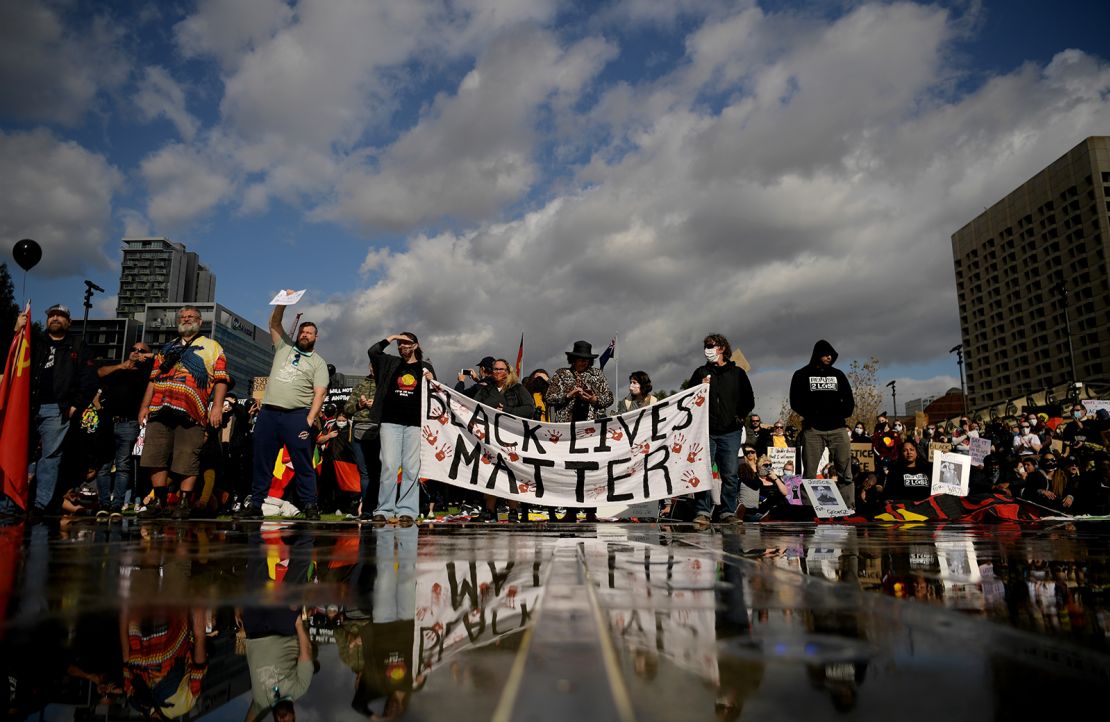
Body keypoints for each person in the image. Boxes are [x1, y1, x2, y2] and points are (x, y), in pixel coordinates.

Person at [236, 301, 329, 521]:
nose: (305, 335)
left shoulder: (318, 362)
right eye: (303, 332)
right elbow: (274, 323)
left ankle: (310, 506)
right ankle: (256, 504)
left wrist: (309, 419)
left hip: (297, 415)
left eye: (310, 333)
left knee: (303, 463)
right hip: (268, 413)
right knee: (262, 461)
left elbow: (320, 392)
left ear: (316, 337)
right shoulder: (284, 346)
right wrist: (282, 304)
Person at [137, 306, 229, 519]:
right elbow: (153, 379)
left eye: (191, 317)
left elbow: (221, 379)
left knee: (188, 456)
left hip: (192, 410)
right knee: (154, 455)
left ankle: (185, 502)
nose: (186, 319)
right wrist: (144, 406)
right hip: (160, 407)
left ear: (200, 321)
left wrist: (216, 406)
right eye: (183, 317)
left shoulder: (212, 347)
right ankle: (159, 501)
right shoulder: (166, 348)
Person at [7, 304, 97, 515]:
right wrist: (16, 330)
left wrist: (76, 405)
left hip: (57, 408)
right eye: (52, 315)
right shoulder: (34, 341)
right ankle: (10, 504)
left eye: (61, 315)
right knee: (18, 453)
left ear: (68, 321)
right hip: (27, 406)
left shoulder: (77, 345)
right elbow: (11, 358)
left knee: (49, 457)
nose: (55, 318)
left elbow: (89, 378)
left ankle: (40, 506)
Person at [363, 333, 436, 525]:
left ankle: (407, 511)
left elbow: (435, 396)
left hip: (415, 423)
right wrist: (392, 337)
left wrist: (431, 381)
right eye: (400, 343)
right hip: (390, 421)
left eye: (407, 343)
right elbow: (373, 351)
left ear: (416, 345)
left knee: (411, 468)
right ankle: (384, 509)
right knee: (389, 465)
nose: (403, 346)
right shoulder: (390, 362)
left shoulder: (425, 366)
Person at [685, 333, 755, 526]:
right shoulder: (700, 373)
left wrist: (739, 417)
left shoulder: (738, 373)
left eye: (711, 345)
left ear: (722, 348)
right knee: (702, 472)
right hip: (705, 431)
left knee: (730, 473)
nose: (708, 350)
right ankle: (702, 511)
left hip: (730, 432)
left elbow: (749, 399)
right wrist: (700, 388)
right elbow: (688, 399)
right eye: (706, 346)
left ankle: (727, 512)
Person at [546, 341, 614, 522]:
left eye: (586, 360)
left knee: (592, 470)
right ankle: (570, 510)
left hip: (592, 429)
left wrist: (593, 398)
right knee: (569, 471)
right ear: (573, 359)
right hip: (567, 430)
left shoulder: (597, 374)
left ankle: (591, 511)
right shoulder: (562, 374)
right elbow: (550, 397)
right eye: (579, 359)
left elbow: (608, 399)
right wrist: (569, 395)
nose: (583, 363)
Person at [789, 339, 855, 508]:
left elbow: (849, 399)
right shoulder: (801, 374)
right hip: (813, 430)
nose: (829, 358)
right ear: (817, 355)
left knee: (845, 472)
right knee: (810, 473)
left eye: (831, 355)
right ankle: (808, 508)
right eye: (826, 354)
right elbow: (795, 401)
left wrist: (841, 413)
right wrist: (813, 415)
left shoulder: (838, 374)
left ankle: (847, 507)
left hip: (838, 428)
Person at [94, 341, 154, 518]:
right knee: (103, 466)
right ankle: (104, 503)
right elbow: (99, 373)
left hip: (128, 423)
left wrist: (148, 357)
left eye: (141, 350)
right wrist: (122, 365)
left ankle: (117, 505)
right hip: (107, 421)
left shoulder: (146, 374)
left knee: (123, 465)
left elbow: (164, 359)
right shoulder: (117, 370)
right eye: (134, 349)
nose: (136, 352)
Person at [477, 359, 535, 523]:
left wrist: (507, 411)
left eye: (501, 369)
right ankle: (489, 508)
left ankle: (513, 509)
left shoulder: (518, 389)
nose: (497, 372)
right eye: (494, 369)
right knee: (490, 472)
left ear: (508, 371)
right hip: (490, 437)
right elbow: (473, 405)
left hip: (512, 438)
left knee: (511, 473)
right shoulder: (486, 388)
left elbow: (529, 408)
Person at [344, 363, 381, 517]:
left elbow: (393, 409)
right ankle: (366, 510)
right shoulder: (360, 386)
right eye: (372, 365)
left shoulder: (385, 385)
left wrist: (376, 406)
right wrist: (359, 405)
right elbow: (347, 409)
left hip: (378, 429)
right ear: (369, 367)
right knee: (364, 473)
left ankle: (379, 508)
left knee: (377, 472)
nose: (374, 368)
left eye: (376, 365)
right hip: (359, 430)